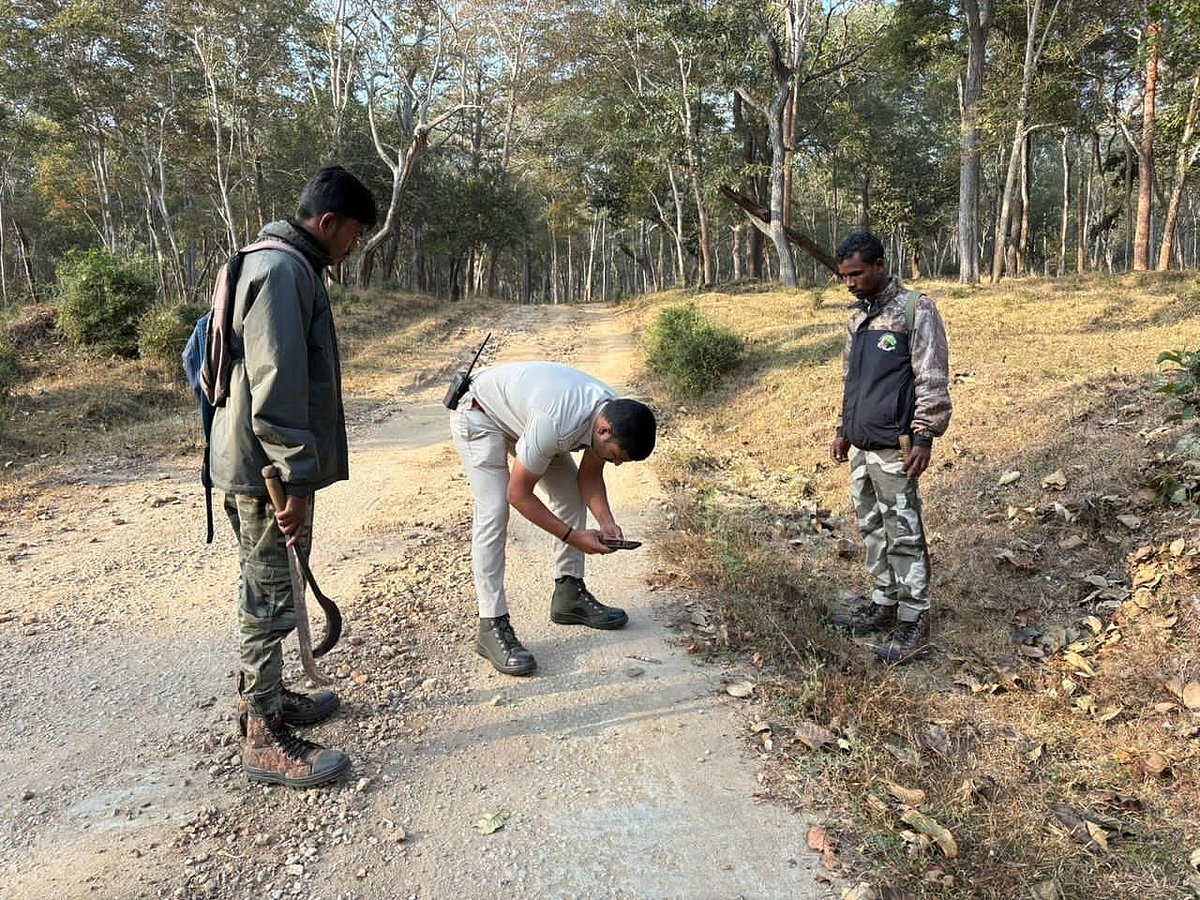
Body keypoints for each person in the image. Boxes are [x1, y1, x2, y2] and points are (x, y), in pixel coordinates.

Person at [209, 165, 377, 787]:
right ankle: (261, 736)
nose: (354, 245)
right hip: (266, 472)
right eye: (355, 233)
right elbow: (278, 388)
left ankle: (271, 698)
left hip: (259, 464)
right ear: (327, 222)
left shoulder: (277, 259)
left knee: (271, 586)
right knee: (269, 597)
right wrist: (296, 478)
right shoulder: (282, 270)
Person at [450, 362, 657, 675]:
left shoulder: (610, 412)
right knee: (494, 511)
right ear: (603, 431)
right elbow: (518, 494)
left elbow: (589, 477)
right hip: (480, 413)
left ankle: (568, 594)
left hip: (525, 419)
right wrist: (572, 536)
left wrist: (606, 521)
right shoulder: (557, 422)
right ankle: (491, 625)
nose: (615, 464)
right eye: (616, 456)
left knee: (571, 495)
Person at [828, 231, 951, 664]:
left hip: (896, 446)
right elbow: (851, 381)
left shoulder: (915, 311)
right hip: (861, 444)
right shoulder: (858, 319)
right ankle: (884, 601)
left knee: (903, 531)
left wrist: (924, 435)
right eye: (844, 276)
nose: (850, 283)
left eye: (856, 273)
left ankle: (915, 617)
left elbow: (931, 376)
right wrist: (842, 428)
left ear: (880, 265)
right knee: (872, 529)